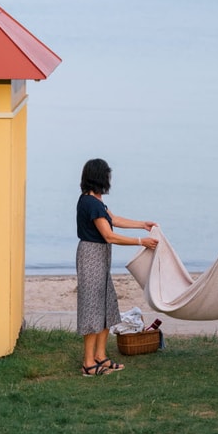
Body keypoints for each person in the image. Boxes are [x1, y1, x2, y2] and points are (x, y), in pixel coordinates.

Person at [76, 158, 159, 376]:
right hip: (91, 256)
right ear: (99, 177)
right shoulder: (90, 203)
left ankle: (100, 356)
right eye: (107, 175)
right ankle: (88, 363)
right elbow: (109, 235)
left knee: (106, 305)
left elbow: (113, 220)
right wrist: (141, 241)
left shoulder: (96, 200)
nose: (109, 179)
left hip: (101, 256)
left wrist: (142, 224)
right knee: (92, 308)